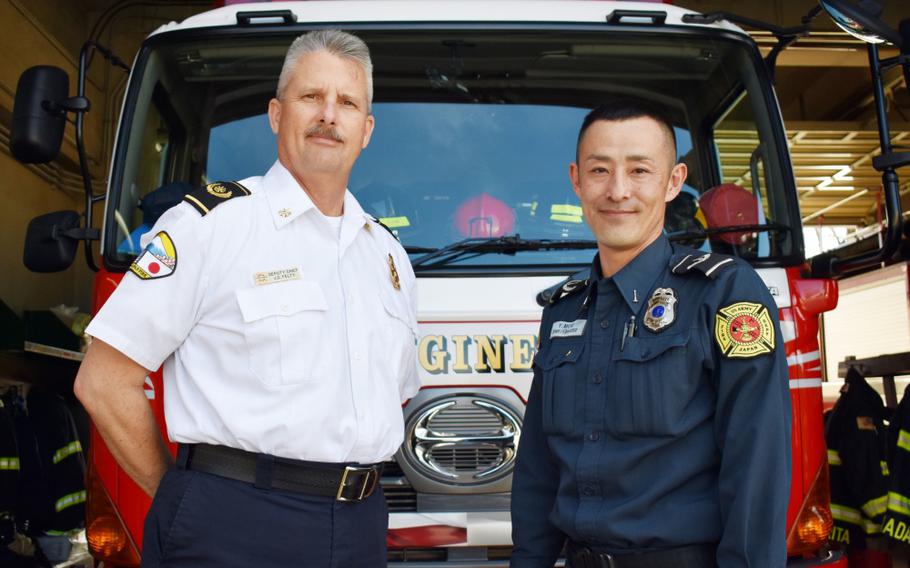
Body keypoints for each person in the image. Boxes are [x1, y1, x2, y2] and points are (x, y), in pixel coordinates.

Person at [74, 30, 420, 567]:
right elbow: (102, 380)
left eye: (347, 103)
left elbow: (389, 397)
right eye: (311, 97)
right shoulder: (210, 226)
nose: (329, 115)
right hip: (230, 524)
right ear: (277, 114)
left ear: (366, 129)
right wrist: (177, 492)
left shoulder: (388, 258)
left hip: (360, 524)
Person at [510, 99, 791, 568]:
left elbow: (756, 461)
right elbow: (539, 468)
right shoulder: (562, 311)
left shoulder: (723, 292)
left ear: (673, 182)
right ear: (577, 180)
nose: (618, 191)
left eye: (639, 170)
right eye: (600, 171)